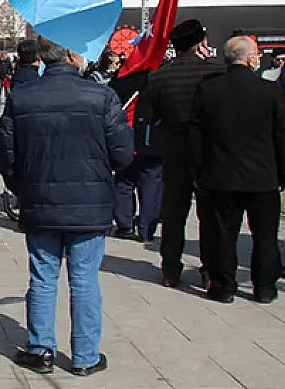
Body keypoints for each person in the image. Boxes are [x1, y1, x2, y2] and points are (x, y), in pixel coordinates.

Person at [0, 38, 132, 377]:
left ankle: (41, 349)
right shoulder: (101, 96)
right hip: (89, 202)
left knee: (43, 276)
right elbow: (123, 153)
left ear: (43, 58)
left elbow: (5, 154)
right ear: (72, 55)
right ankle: (85, 355)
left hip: (41, 202)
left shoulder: (22, 96)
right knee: (84, 280)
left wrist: (23, 186)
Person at [190, 36, 285, 303]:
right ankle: (265, 288)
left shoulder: (209, 90)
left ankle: (223, 286)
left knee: (223, 235)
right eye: (256, 53)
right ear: (248, 58)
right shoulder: (269, 91)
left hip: (221, 175)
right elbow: (281, 136)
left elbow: (196, 136)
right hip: (262, 177)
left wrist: (198, 171)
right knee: (265, 236)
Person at [139, 19, 224, 288]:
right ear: (201, 43)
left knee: (174, 214)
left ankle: (171, 270)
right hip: (209, 153)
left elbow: (148, 118)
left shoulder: (159, 76)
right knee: (209, 215)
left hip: (175, 152)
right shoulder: (215, 73)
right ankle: (210, 270)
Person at [108, 68, 163, 242]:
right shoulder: (158, 80)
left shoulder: (119, 80)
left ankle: (125, 224)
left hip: (126, 135)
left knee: (124, 181)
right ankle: (147, 229)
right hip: (151, 138)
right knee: (150, 184)